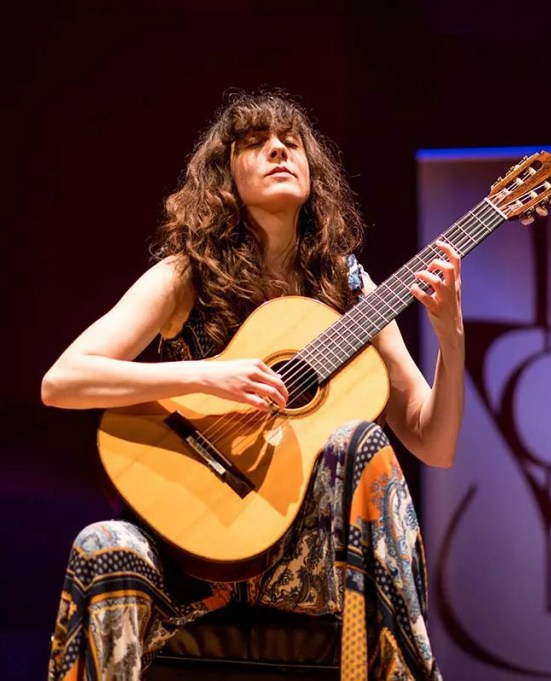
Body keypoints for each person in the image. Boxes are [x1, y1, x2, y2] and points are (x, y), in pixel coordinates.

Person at [41, 90, 477, 681]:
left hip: (308, 555)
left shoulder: (354, 290)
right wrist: (206, 375)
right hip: (187, 555)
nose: (277, 149)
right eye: (255, 143)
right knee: (101, 544)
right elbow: (63, 380)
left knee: (359, 442)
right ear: (226, 176)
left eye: (291, 142)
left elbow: (434, 442)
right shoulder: (185, 272)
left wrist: (450, 334)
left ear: (312, 170)